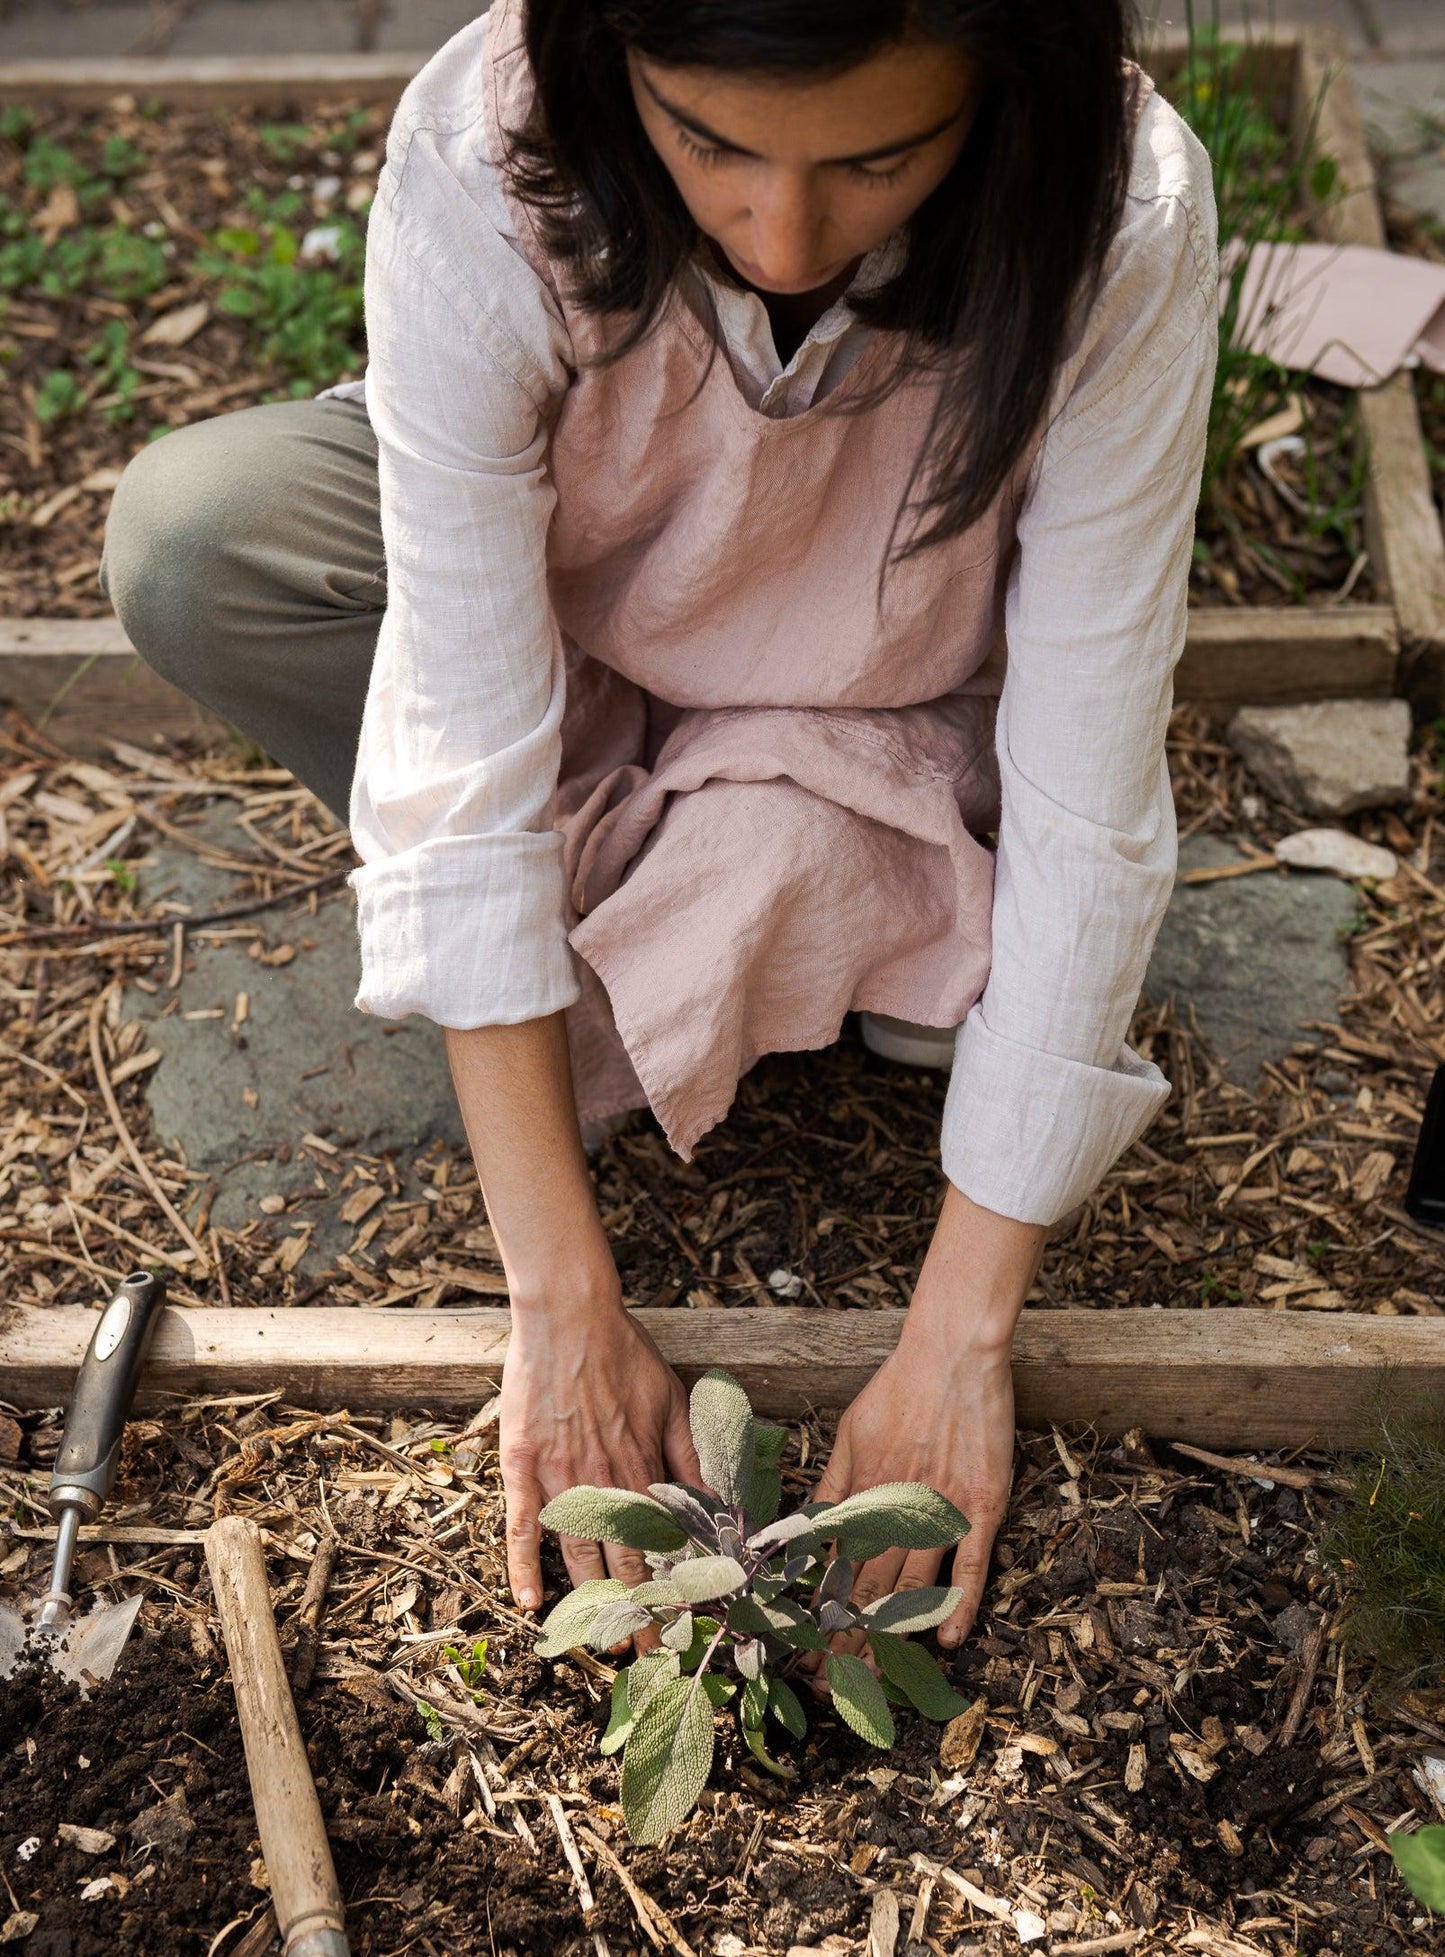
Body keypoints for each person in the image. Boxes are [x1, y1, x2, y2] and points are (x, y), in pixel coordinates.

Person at [102, 0, 1218, 1649]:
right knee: (199, 540)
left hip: (890, 668)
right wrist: (559, 1298)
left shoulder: (1116, 212)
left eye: (875, 160)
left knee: (973, 921)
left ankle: (842, 896)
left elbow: (1091, 770)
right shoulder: (491, 150)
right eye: (709, 144)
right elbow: (465, 725)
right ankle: (776, 917)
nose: (782, 235)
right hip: (600, 633)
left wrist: (958, 1338)